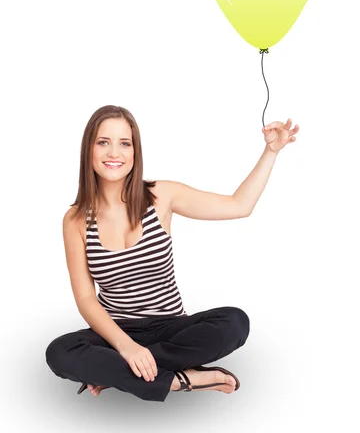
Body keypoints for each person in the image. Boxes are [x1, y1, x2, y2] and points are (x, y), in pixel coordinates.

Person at [45, 105, 298, 402]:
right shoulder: (75, 219)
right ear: (88, 149)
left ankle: (120, 374)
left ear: (135, 152)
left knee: (235, 322)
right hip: (114, 332)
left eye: (124, 143)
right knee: (58, 352)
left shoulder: (161, 195)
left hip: (171, 326)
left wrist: (271, 152)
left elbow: (239, 205)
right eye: (103, 142)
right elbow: (86, 299)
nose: (115, 153)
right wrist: (126, 347)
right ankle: (180, 379)